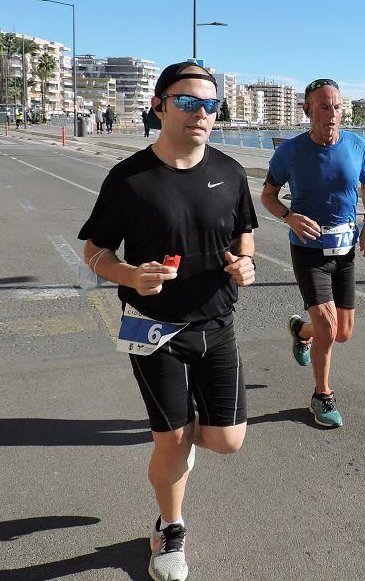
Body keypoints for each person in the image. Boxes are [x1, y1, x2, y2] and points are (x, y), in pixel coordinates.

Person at [78, 61, 257, 581]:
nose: (200, 113)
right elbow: (94, 250)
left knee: (227, 440)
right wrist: (130, 275)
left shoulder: (230, 172)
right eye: (186, 101)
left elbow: (244, 233)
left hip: (217, 323)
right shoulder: (130, 179)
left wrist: (245, 262)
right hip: (149, 328)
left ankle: (177, 449)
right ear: (158, 106)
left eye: (210, 104)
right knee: (170, 441)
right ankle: (169, 528)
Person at [260, 78, 365, 429]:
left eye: (338, 107)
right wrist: (288, 216)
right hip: (308, 250)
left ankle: (301, 332)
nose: (332, 114)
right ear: (307, 110)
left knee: (342, 333)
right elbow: (267, 194)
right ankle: (321, 395)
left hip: (344, 252)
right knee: (329, 328)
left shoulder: (357, 145)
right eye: (324, 107)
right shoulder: (290, 152)